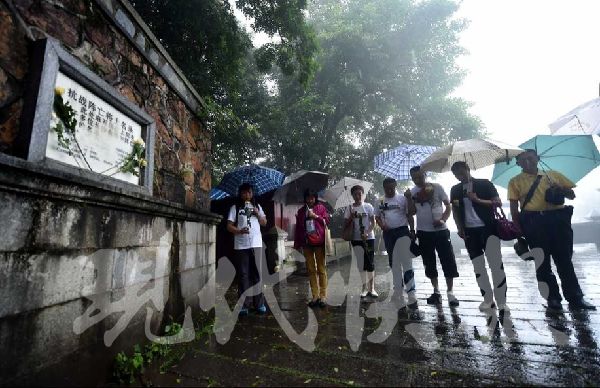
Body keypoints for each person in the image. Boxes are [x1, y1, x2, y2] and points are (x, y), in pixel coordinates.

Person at [509, 149, 595, 311]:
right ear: (518, 163)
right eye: (522, 160)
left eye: (530, 158)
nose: (527, 162)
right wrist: (518, 230)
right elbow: (514, 209)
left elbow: (572, 195)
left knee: (564, 260)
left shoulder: (553, 175)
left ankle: (575, 298)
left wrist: (560, 188)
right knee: (542, 263)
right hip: (533, 222)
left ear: (537, 158)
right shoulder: (515, 181)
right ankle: (552, 299)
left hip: (558, 220)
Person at [450, 161, 508, 312]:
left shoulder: (484, 184)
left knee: (496, 265)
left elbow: (497, 202)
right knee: (478, 266)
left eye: (462, 172)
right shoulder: (455, 189)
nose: (459, 176)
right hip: (470, 232)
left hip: (488, 229)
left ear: (468, 169)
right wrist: (459, 227)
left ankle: (502, 301)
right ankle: (487, 299)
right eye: (456, 174)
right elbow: (455, 211)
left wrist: (477, 200)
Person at [409, 166, 459, 307]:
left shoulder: (437, 187)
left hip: (441, 231)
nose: (417, 180)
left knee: (448, 260)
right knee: (429, 262)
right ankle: (436, 291)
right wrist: (408, 199)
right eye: (414, 178)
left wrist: (443, 219)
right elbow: (411, 212)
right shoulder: (413, 192)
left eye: (419, 177)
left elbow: (448, 205)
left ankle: (450, 292)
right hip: (424, 232)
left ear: (425, 174)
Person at [374, 177, 418, 309]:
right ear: (383, 188)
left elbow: (411, 213)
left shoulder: (402, 198)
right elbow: (377, 216)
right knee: (394, 263)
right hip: (389, 234)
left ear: (395, 186)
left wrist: (412, 230)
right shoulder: (379, 200)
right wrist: (382, 225)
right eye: (387, 188)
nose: (389, 190)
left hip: (403, 232)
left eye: (392, 188)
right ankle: (397, 290)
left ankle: (411, 292)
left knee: (406, 262)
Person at [226, 183, 268, 316]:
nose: (247, 195)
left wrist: (258, 214)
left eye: (249, 192)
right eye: (244, 193)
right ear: (240, 194)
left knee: (257, 275)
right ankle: (244, 305)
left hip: (256, 244)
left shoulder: (257, 206)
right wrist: (239, 231)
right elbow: (229, 226)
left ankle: (259, 303)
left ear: (252, 193)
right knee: (243, 275)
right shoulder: (235, 207)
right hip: (241, 245)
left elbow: (264, 223)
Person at [293, 189, 331, 308]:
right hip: (306, 243)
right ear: (305, 199)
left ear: (315, 198)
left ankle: (323, 296)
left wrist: (316, 216)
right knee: (310, 269)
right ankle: (315, 296)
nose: (310, 200)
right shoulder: (301, 211)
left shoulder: (321, 208)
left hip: (319, 242)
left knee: (321, 268)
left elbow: (326, 221)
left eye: (312, 197)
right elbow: (299, 228)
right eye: (308, 197)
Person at [344, 185, 377, 298]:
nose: (358, 196)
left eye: (360, 194)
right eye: (355, 194)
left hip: (369, 239)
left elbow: (373, 223)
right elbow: (345, 224)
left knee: (370, 263)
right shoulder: (349, 208)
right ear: (352, 195)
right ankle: (364, 288)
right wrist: (351, 217)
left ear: (363, 195)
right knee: (361, 264)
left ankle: (372, 288)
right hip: (356, 239)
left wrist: (367, 233)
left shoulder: (368, 206)